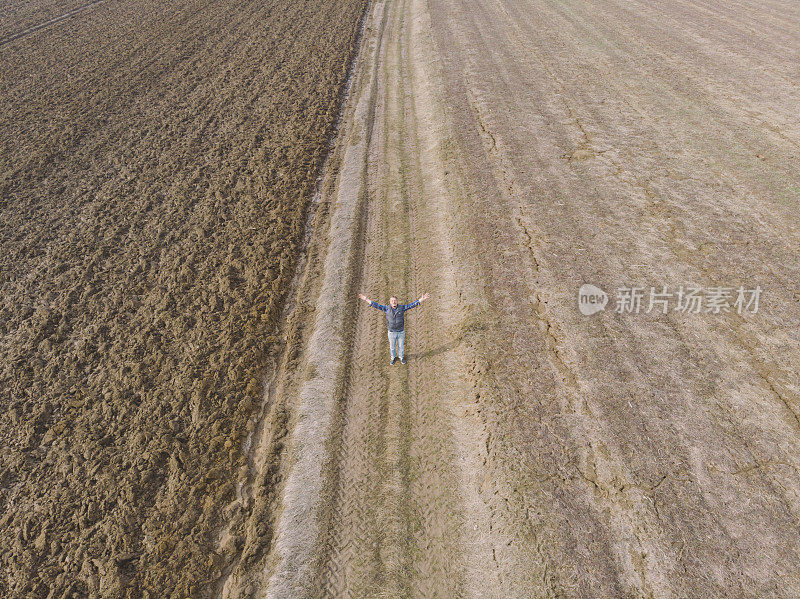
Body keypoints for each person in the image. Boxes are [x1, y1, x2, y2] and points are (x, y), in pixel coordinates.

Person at [358, 292, 430, 364]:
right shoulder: (386, 308)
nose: (394, 302)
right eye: (392, 301)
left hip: (401, 332)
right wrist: (366, 299)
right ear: (390, 302)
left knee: (401, 346)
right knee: (392, 347)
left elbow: (411, 305)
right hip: (391, 332)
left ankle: (401, 357)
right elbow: (376, 305)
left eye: (395, 300)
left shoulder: (401, 308)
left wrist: (421, 299)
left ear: (397, 301)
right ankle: (393, 357)